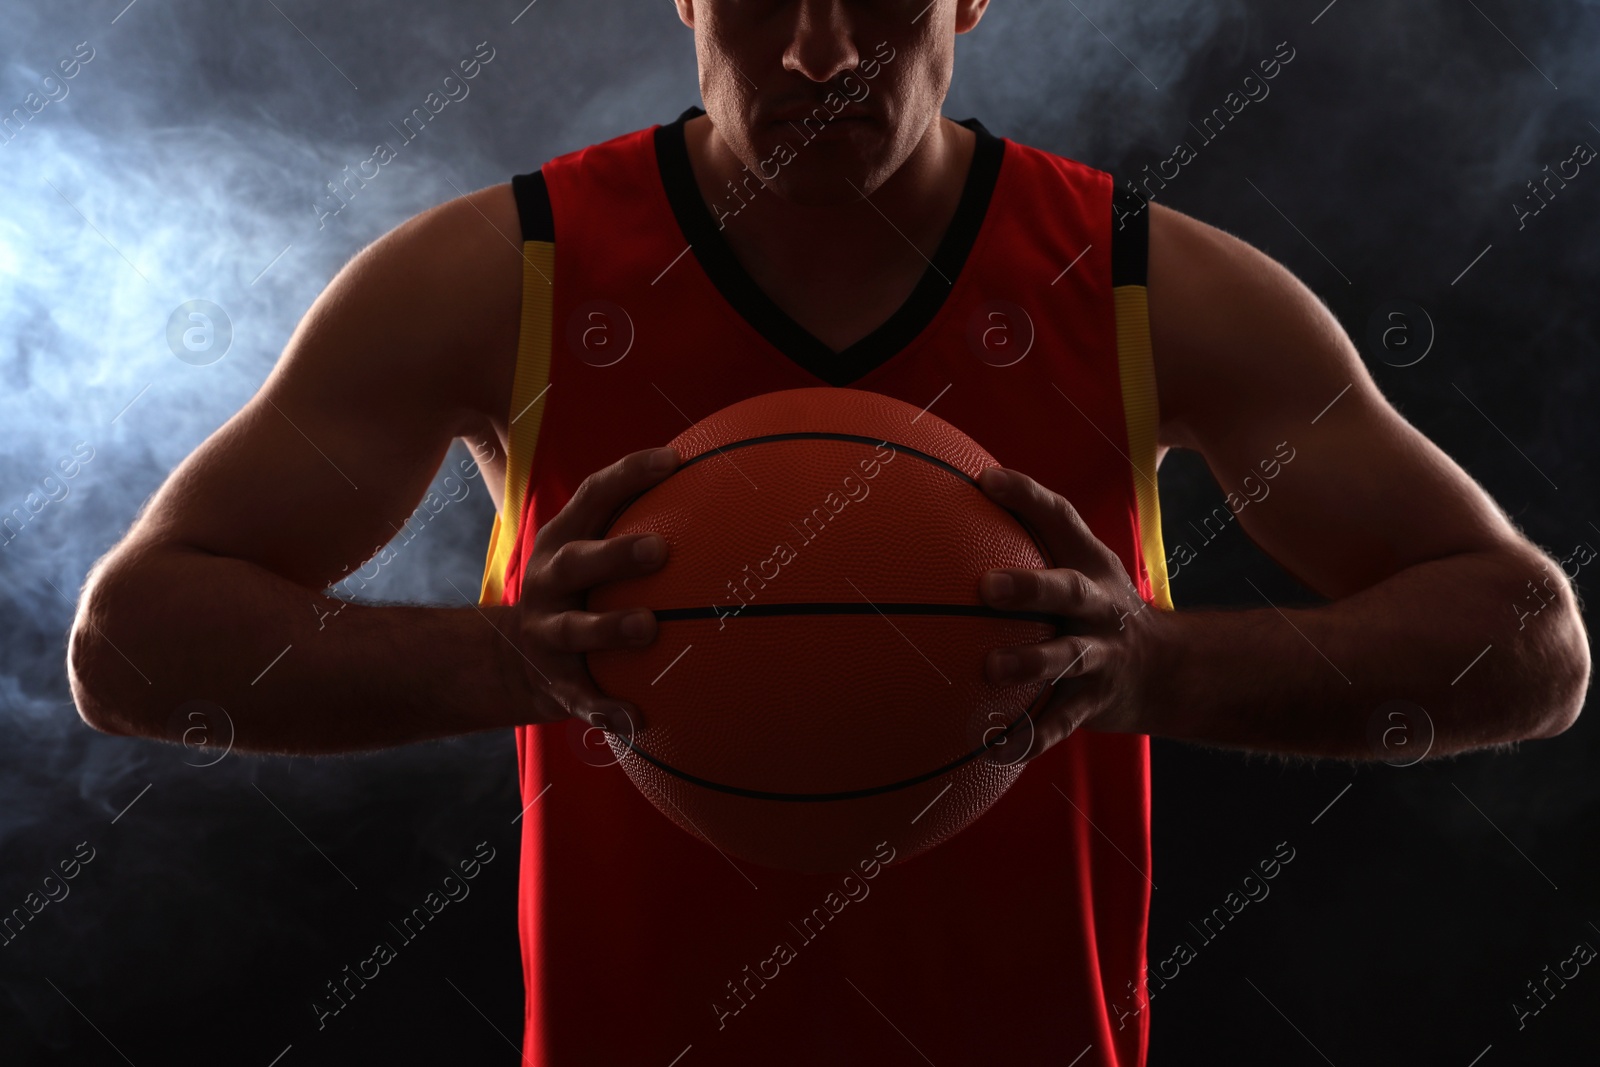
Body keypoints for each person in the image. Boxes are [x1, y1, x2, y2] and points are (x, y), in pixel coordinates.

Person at [67, 1, 1590, 1064]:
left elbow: (1529, 643)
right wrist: (516, 661)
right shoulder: (501, 276)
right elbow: (134, 642)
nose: (820, 46)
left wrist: (1154, 671)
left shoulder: (1142, 285)